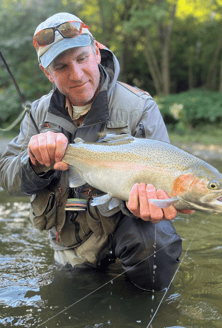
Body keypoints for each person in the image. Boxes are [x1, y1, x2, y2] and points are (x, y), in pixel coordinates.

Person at [0, 12, 193, 291]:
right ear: (48, 73)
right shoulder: (37, 114)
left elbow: (169, 178)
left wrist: (155, 203)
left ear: (97, 51)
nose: (76, 75)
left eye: (81, 59)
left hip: (125, 235)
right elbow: (6, 177)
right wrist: (33, 162)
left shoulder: (140, 108)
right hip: (71, 249)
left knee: (156, 246)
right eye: (62, 66)